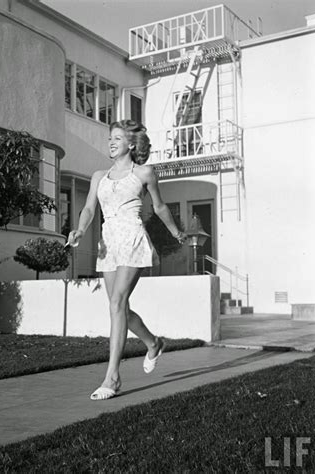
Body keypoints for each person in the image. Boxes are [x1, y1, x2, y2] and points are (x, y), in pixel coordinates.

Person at [67, 120, 187, 401]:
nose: (111, 142)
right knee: (119, 307)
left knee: (116, 303)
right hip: (108, 244)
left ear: (131, 144)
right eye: (110, 138)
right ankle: (153, 342)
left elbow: (158, 206)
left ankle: (113, 377)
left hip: (133, 238)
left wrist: (176, 232)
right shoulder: (99, 176)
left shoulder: (144, 172)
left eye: (117, 138)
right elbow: (88, 209)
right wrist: (80, 230)